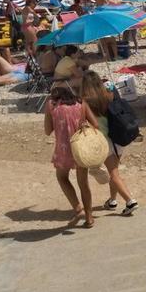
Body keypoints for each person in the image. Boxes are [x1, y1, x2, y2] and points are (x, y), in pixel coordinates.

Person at [80, 72, 139, 216]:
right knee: (115, 172)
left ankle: (130, 201)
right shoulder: (108, 94)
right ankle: (112, 200)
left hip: (105, 142)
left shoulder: (85, 101)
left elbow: (83, 122)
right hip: (118, 138)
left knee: (114, 174)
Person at [44, 85, 101, 228]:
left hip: (63, 149)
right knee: (84, 183)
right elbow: (95, 124)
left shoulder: (51, 104)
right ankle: (89, 217)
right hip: (80, 148)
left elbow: (47, 130)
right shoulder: (81, 103)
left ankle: (77, 208)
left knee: (62, 178)